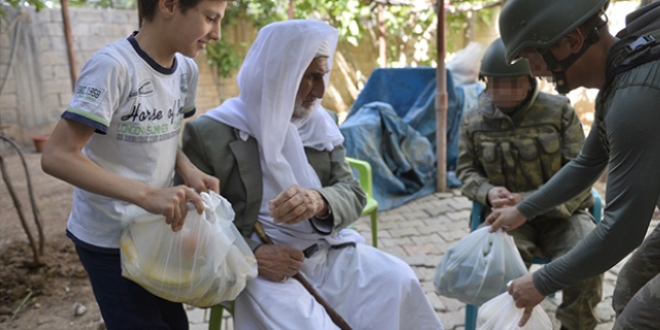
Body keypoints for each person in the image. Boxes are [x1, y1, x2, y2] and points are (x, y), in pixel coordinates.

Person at [180, 19, 444, 330]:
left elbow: (353, 192)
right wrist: (254, 256)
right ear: (279, 74)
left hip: (327, 250)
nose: (320, 90)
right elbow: (192, 224)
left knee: (398, 280)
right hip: (259, 264)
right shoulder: (210, 134)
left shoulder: (322, 123)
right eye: (310, 77)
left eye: (323, 75)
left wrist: (319, 200)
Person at [40, 1, 228, 328]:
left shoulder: (186, 71)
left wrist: (187, 168)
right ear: (169, 5)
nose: (218, 34)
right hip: (109, 240)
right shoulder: (113, 67)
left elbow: (163, 135)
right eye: (211, 18)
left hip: (155, 233)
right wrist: (146, 195)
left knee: (174, 323)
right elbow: (57, 156)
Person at [487, 1, 660, 328]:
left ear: (572, 41)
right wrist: (523, 210)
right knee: (628, 288)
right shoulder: (620, 78)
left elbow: (623, 230)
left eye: (531, 55)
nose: (533, 71)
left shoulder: (634, 96)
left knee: (637, 321)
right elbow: (587, 164)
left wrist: (541, 282)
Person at [456, 37, 603, 330]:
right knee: (499, 271)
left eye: (513, 83)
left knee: (587, 258)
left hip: (563, 215)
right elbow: (466, 170)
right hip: (509, 222)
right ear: (485, 83)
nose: (505, 91)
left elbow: (581, 170)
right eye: (496, 84)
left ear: (530, 80)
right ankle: (505, 325)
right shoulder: (474, 120)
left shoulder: (559, 111)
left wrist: (531, 202)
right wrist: (487, 192)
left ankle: (575, 326)